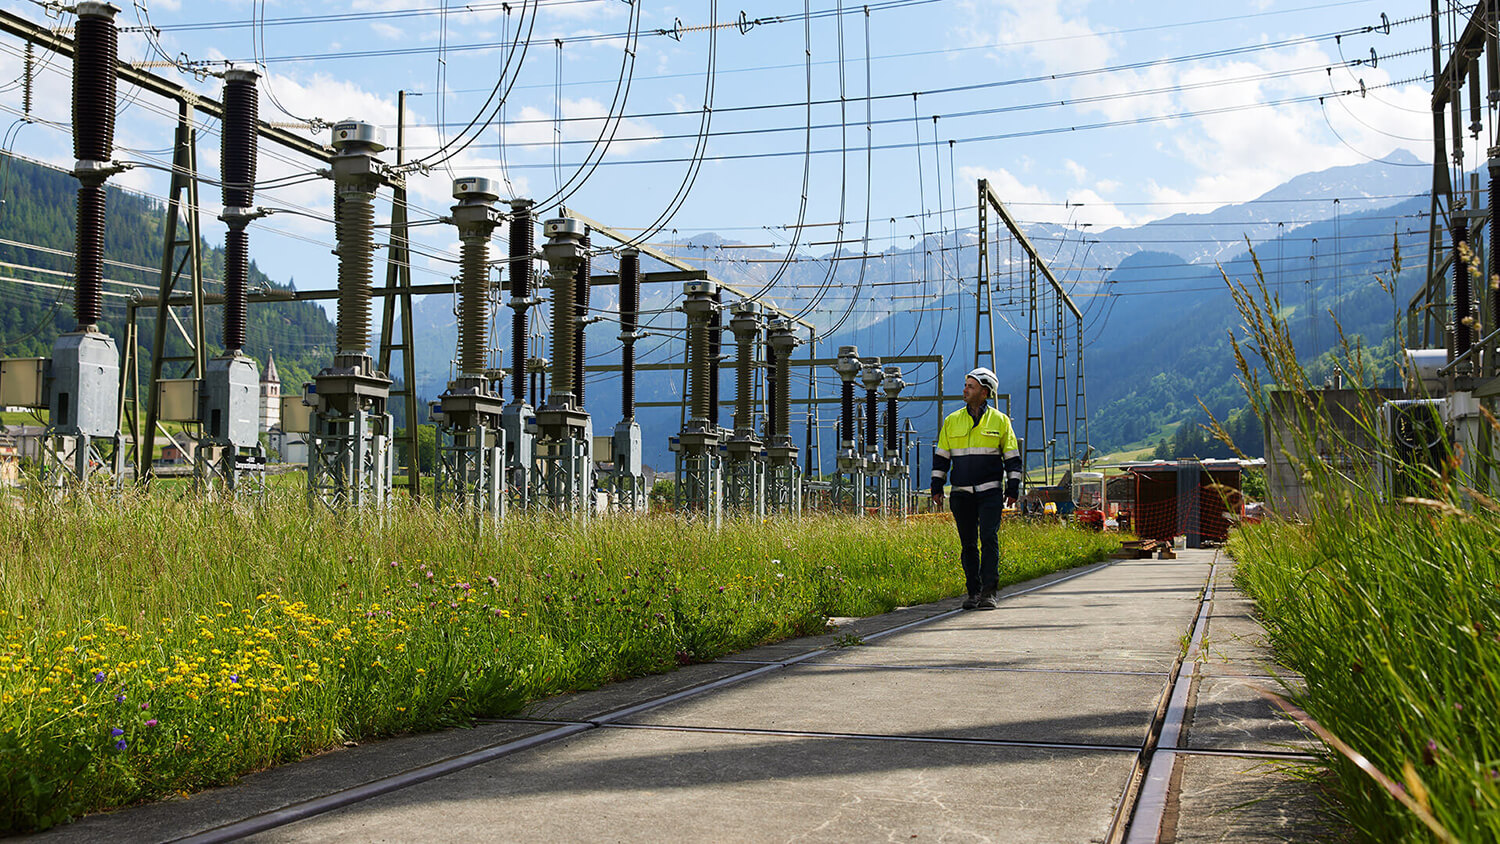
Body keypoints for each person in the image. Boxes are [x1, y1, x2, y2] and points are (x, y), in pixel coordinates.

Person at [930, 367, 1022, 610]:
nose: (965, 390)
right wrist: (936, 487)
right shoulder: (952, 421)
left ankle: (989, 592)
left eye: (970, 386)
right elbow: (941, 458)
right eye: (966, 385)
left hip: (990, 491)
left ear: (985, 392)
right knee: (968, 543)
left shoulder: (1001, 421)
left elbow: (1012, 458)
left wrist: (1013, 489)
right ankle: (973, 593)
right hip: (961, 493)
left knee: (988, 538)